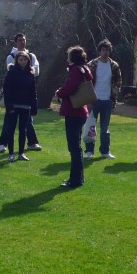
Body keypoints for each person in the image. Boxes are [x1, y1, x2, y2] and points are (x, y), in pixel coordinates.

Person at [55, 45, 92, 188]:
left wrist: (59, 92)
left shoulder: (76, 70)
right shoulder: (84, 69)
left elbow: (71, 87)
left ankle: (76, 179)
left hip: (73, 111)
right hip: (80, 111)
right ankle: (77, 177)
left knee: (74, 147)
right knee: (76, 147)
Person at [0, 32, 42, 152]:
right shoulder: (11, 56)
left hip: (26, 95)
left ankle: (32, 142)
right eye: (20, 40)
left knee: (27, 122)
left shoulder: (31, 56)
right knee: (9, 121)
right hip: (14, 96)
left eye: (24, 40)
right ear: (16, 42)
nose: (22, 42)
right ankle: (2, 143)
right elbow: (11, 73)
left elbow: (36, 70)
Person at [84, 39, 122, 159]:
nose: (105, 52)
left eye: (107, 50)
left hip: (107, 100)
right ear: (100, 51)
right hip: (94, 100)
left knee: (105, 128)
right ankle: (89, 151)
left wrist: (113, 97)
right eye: (103, 50)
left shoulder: (114, 66)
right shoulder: (92, 64)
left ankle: (105, 151)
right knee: (91, 126)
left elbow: (118, 82)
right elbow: (86, 82)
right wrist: (88, 99)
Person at [1, 51, 38, 162]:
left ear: (28, 61)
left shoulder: (30, 73)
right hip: (13, 105)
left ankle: (21, 153)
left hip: (26, 105)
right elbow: (7, 90)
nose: (23, 62)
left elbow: (33, 91)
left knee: (23, 130)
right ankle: (11, 153)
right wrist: (9, 106)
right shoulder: (11, 72)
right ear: (17, 60)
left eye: (25, 60)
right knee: (11, 129)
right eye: (21, 59)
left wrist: (34, 106)